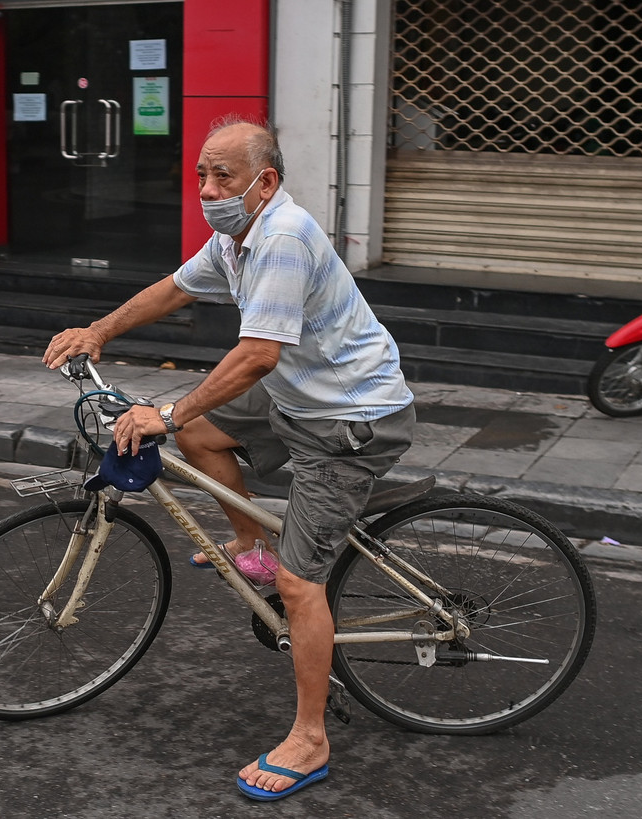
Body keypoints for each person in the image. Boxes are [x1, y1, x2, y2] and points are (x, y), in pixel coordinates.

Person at [43, 116, 415, 801]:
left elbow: (256, 355)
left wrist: (168, 409)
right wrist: (98, 330)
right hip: (300, 398)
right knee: (204, 436)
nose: (208, 188)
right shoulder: (235, 236)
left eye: (224, 176)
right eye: (201, 175)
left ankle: (309, 738)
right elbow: (176, 287)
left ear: (264, 182)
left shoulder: (281, 237)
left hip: (351, 418)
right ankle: (252, 543)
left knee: (302, 586)